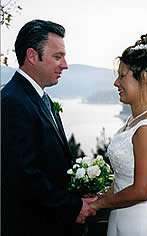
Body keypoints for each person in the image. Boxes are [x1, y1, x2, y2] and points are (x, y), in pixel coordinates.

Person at [1, 19, 96, 236]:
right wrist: (73, 206)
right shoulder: (11, 102)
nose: (65, 65)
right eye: (57, 56)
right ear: (32, 56)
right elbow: (24, 178)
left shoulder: (42, 98)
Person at [88, 33, 147, 235]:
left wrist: (99, 204)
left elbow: (141, 191)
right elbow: (123, 179)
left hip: (141, 226)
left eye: (122, 76)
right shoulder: (135, 121)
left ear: (143, 78)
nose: (116, 83)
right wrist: (99, 195)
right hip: (121, 220)